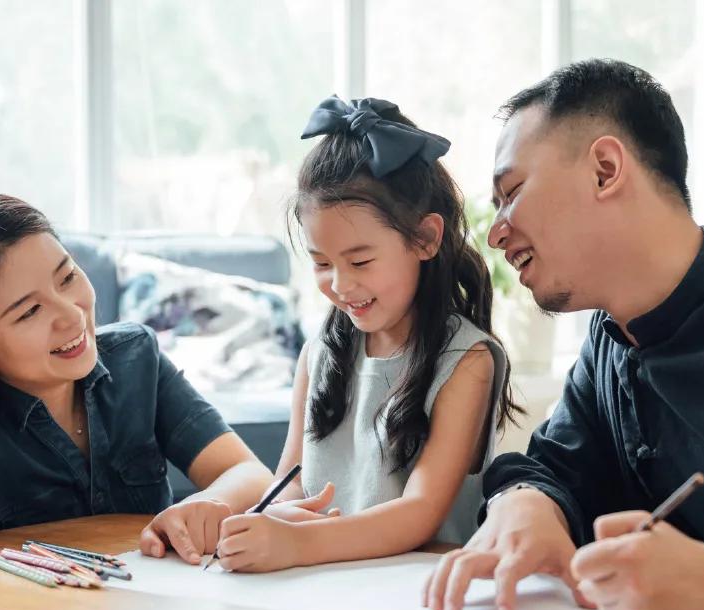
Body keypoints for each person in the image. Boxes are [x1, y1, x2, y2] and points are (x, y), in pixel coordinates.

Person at [422, 58, 704, 610]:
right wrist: (528, 502)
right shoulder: (608, 345)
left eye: (510, 193)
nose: (496, 231)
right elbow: (552, 468)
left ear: (605, 170)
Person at [0, 191, 329, 610]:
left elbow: (245, 472)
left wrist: (209, 503)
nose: (70, 314)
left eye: (67, 277)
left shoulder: (136, 358)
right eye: (29, 312)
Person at [213, 96, 522, 573]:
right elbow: (291, 480)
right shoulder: (319, 354)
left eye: (359, 262)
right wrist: (268, 519)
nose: (339, 284)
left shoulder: (466, 360)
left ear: (425, 239)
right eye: (320, 263)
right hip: (322, 590)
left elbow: (419, 514)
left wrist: (298, 544)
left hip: (414, 598)